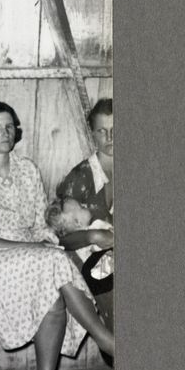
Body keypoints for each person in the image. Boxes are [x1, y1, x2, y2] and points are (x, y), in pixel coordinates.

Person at [0, 101, 114, 370]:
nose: (5, 132)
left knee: (55, 283)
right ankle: (106, 340)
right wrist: (39, 249)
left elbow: (37, 224)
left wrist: (49, 242)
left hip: (34, 259)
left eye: (9, 126)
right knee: (53, 263)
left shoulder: (27, 169)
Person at [55, 97, 116, 330]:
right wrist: (94, 236)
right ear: (92, 134)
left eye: (115, 129)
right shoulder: (80, 177)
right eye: (102, 131)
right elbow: (62, 238)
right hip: (89, 256)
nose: (109, 137)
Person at [46, 197, 114, 295]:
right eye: (82, 207)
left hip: (107, 255)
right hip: (101, 265)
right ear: (77, 222)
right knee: (88, 276)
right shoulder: (90, 231)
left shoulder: (95, 225)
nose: (85, 205)